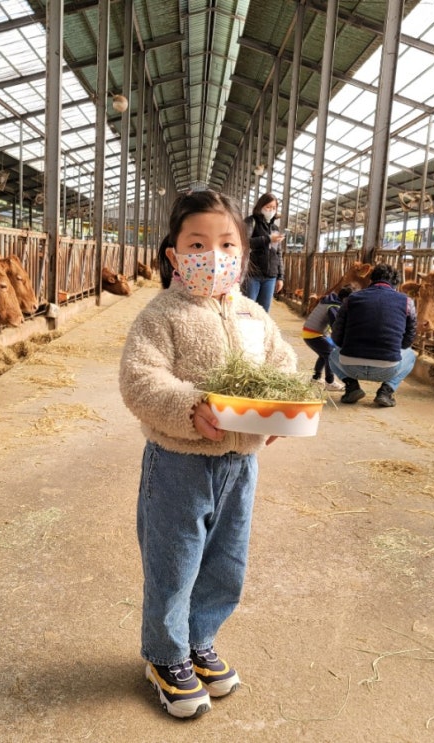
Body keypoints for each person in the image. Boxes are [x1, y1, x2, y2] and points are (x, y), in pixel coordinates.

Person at [119, 190, 297, 719]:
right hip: (178, 461)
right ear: (174, 255)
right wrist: (189, 405)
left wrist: (281, 408)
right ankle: (166, 655)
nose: (214, 255)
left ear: (243, 255)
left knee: (226, 561)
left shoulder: (253, 315)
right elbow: (140, 379)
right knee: (173, 563)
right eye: (197, 243)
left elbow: (280, 362)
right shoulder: (162, 315)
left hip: (241, 465)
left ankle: (200, 640)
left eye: (226, 244)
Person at [328, 263, 417, 407]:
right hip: (387, 369)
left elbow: (336, 336)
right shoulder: (407, 302)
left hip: (351, 367)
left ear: (371, 280)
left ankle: (351, 387)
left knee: (332, 354)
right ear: (396, 284)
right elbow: (408, 340)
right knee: (411, 356)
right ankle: (386, 391)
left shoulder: (351, 299)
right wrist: (389, 348)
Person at [301, 285, 354, 391]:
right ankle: (329, 382)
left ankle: (316, 378)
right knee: (331, 354)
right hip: (314, 334)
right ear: (346, 299)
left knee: (324, 354)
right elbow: (335, 326)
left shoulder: (330, 302)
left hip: (312, 333)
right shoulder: (334, 306)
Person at [244, 192, 285, 312]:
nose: (271, 210)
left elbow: (278, 253)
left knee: (264, 311)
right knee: (248, 310)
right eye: (268, 207)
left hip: (270, 277)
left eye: (274, 208)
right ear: (260, 206)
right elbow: (244, 243)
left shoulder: (274, 228)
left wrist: (280, 277)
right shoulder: (250, 222)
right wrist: (268, 239)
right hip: (252, 275)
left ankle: (262, 331)